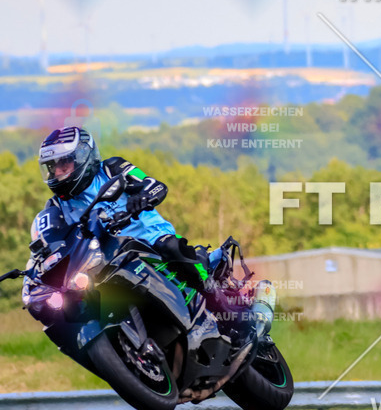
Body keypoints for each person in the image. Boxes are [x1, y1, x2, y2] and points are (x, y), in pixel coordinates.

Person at [35, 126, 266, 348]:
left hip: (150, 239)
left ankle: (228, 310)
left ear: (82, 157)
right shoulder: (55, 207)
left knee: (172, 249)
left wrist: (143, 196)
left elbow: (156, 186)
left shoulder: (112, 168)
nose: (57, 173)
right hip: (107, 257)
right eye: (51, 167)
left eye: (63, 164)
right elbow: (50, 241)